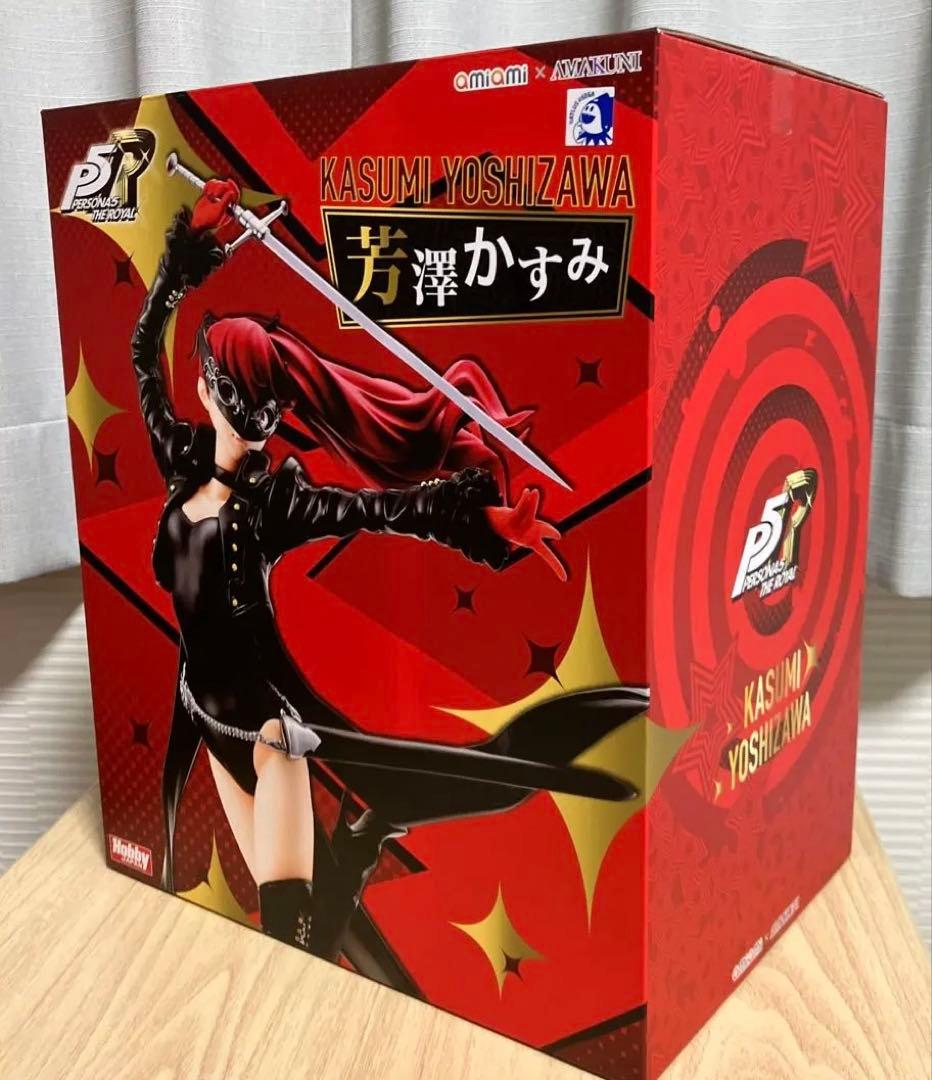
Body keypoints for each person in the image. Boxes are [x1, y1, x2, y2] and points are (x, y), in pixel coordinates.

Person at [131, 181, 645, 976]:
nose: (201, 390)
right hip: (205, 718)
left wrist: (477, 523)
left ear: (220, 394)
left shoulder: (276, 505)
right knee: (309, 942)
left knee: (290, 942)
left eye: (220, 385)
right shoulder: (179, 460)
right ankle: (365, 838)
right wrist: (186, 254)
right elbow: (141, 350)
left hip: (270, 740)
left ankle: (364, 841)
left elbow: (379, 510)